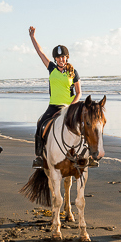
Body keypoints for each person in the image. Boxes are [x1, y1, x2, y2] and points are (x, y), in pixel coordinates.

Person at [28, 26, 82, 168]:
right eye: (58, 57)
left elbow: (79, 93)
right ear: (55, 59)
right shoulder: (51, 68)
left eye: (63, 57)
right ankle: (39, 157)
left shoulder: (73, 72)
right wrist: (33, 37)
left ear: (67, 57)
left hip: (69, 106)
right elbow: (40, 52)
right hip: (53, 106)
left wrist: (72, 106)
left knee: (84, 124)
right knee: (41, 124)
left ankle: (86, 155)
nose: (61, 59)